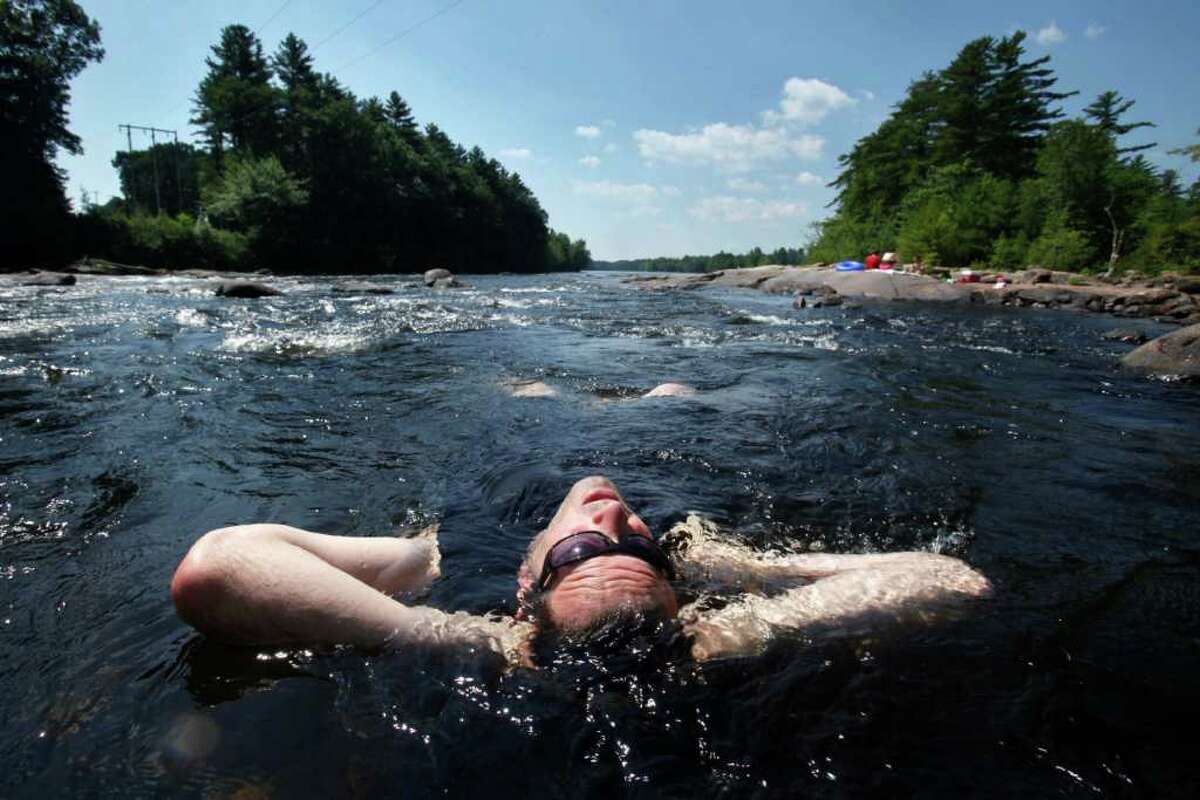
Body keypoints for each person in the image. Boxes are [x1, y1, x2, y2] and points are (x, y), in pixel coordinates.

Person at [171, 477, 991, 666]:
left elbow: (216, 568)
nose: (610, 517)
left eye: (591, 551)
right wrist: (750, 586)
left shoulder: (441, 555)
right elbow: (950, 574)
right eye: (636, 541)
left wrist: (454, 633)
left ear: (529, 578)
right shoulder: (695, 555)